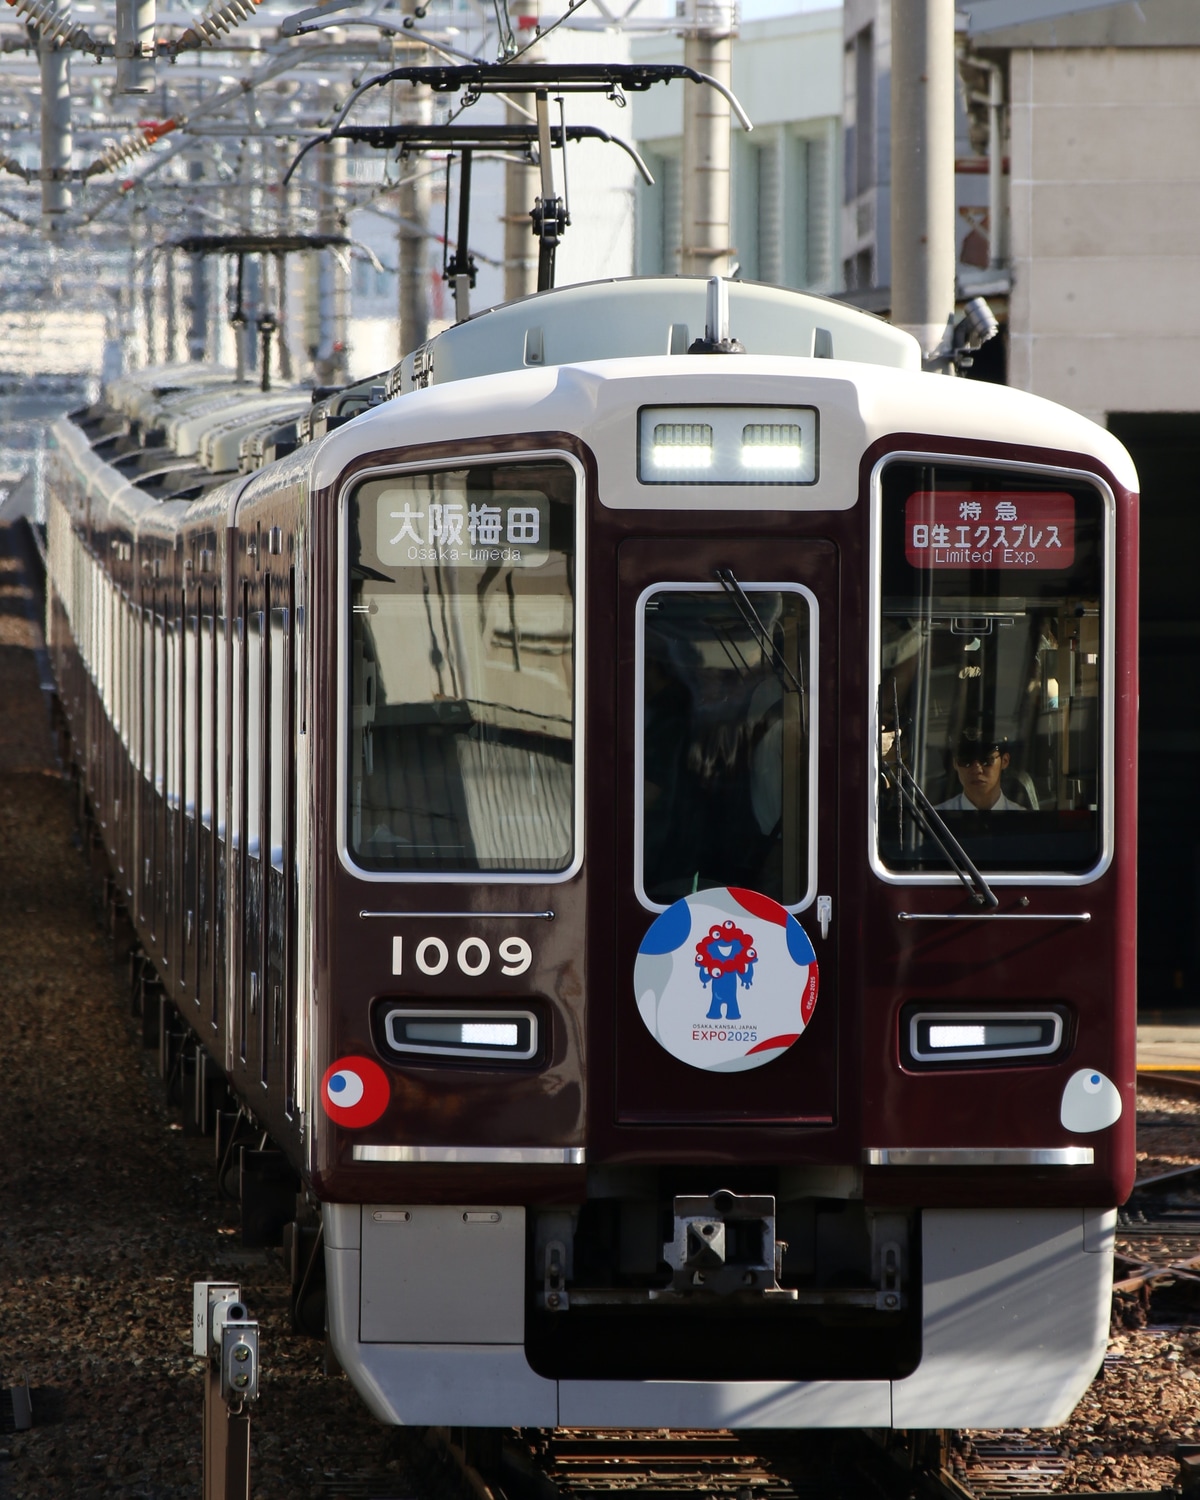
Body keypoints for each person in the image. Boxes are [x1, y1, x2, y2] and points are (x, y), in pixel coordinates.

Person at [937, 731, 1025, 812]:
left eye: (986, 760)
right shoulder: (935, 818)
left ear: (1005, 761)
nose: (977, 770)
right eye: (966, 760)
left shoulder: (1024, 819)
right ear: (955, 763)